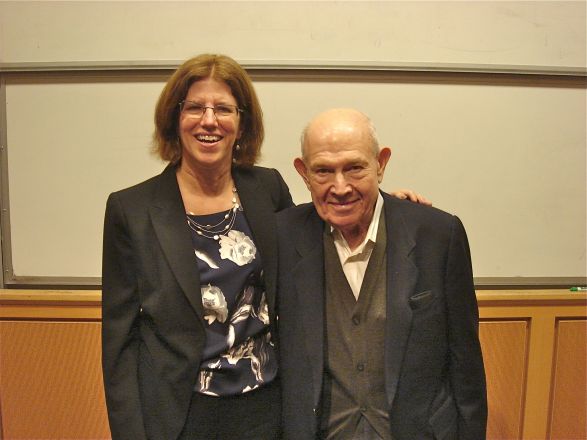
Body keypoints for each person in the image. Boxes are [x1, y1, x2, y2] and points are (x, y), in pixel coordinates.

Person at [101, 55, 427, 440]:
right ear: (175, 118)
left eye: (223, 109)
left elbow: (322, 228)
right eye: (194, 108)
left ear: (242, 123)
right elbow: (119, 341)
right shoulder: (132, 209)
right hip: (179, 413)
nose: (209, 120)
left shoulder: (266, 189)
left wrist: (388, 208)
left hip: (268, 406)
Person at [276, 108, 487, 440]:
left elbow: (466, 366)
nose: (340, 186)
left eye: (355, 167)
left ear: (381, 163)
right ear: (303, 173)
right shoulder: (281, 237)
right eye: (323, 171)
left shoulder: (438, 235)